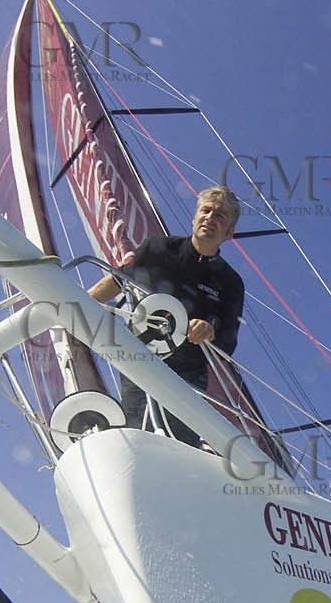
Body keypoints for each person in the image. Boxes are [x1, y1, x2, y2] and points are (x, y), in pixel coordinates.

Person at [87, 186, 244, 447]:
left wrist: (210, 330)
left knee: (181, 443)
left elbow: (229, 341)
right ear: (194, 218)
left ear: (229, 232)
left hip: (188, 372)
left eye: (220, 216)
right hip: (140, 355)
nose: (210, 218)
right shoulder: (158, 248)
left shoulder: (230, 283)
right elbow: (118, 280)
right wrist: (74, 303)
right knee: (138, 430)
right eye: (206, 211)